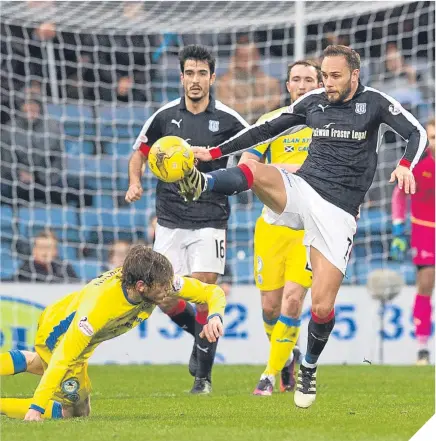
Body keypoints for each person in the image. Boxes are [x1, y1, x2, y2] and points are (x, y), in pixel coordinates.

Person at [178, 45, 427, 408]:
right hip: (302, 189)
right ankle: (205, 184)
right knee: (258, 170)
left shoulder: (375, 103)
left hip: (339, 213)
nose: (328, 83)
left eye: (335, 76)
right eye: (324, 75)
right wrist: (213, 155)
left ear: (354, 75)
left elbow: (416, 132)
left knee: (322, 308)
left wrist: (405, 164)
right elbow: (262, 131)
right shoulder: (313, 102)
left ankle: (307, 365)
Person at [125, 44, 248, 394]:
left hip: (210, 218)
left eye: (202, 74)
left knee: (204, 293)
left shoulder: (229, 119)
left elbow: (252, 152)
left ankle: (202, 379)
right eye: (189, 73)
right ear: (181, 77)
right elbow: (140, 154)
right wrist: (135, 182)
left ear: (212, 77)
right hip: (169, 220)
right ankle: (200, 338)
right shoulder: (164, 116)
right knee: (161, 295)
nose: (195, 80)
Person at [0, 245, 225, 421]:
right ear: (140, 286)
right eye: (163, 287)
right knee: (76, 411)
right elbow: (62, 358)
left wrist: (215, 315)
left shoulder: (158, 281)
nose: (169, 290)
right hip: (58, 335)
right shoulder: (100, 308)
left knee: (39, 364)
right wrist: (36, 408)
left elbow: (211, 292)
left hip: (61, 316)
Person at [239, 60, 323, 396]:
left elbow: (314, 167)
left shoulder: (329, 125)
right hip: (272, 225)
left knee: (292, 301)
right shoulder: (270, 123)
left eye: (308, 79)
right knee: (270, 307)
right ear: (287, 86)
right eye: (296, 79)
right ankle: (288, 355)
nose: (302, 85)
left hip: (311, 228)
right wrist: (276, 170)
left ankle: (269, 375)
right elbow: (247, 164)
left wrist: (272, 168)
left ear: (318, 85)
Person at [391, 117, 435, 365]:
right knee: (426, 283)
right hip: (425, 230)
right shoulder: (419, 164)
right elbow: (399, 195)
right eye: (432, 137)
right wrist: (398, 230)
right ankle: (422, 347)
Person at [216, 37, 281, 123]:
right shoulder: (223, 83)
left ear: (258, 56)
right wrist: (262, 102)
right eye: (243, 57)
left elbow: (276, 102)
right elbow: (234, 109)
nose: (249, 61)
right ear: (234, 58)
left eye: (252, 56)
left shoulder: (271, 82)